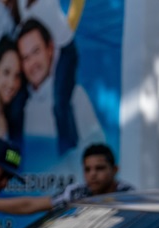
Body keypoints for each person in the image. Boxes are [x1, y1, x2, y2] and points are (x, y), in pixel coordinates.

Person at [16, 18, 104, 156]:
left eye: (36, 52)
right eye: (26, 58)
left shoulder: (74, 96)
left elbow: (97, 149)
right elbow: (11, 157)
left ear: (50, 48)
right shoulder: (19, 108)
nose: (32, 63)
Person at [0, 142, 133, 214]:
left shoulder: (129, 198)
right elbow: (30, 205)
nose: (93, 174)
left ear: (115, 170)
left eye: (99, 168)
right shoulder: (76, 193)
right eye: (87, 169)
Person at [16, 0, 79, 154]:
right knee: (16, 105)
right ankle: (14, 158)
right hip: (35, 52)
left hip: (64, 49)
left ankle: (68, 152)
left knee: (60, 103)